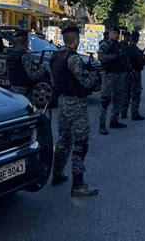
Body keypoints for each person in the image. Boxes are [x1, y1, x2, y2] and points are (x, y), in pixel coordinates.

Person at [49, 27, 100, 197]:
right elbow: (85, 82)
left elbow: (54, 80)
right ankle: (78, 185)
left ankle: (56, 174)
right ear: (76, 41)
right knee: (80, 142)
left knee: (64, 140)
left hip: (62, 101)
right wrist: (95, 77)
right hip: (76, 103)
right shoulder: (73, 58)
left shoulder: (55, 56)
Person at [98, 27, 127, 135]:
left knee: (118, 99)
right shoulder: (105, 45)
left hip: (119, 75)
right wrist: (114, 57)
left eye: (118, 33)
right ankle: (102, 125)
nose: (116, 35)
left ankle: (114, 120)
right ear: (110, 33)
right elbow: (101, 58)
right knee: (105, 100)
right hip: (109, 75)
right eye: (114, 33)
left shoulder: (118, 45)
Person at [6, 30, 46, 101]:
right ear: (27, 41)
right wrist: (42, 68)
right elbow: (33, 76)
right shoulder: (25, 56)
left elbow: (9, 74)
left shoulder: (10, 56)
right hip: (25, 92)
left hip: (13, 90)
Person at [121, 31, 145, 120]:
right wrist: (144, 56)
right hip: (135, 74)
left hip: (125, 74)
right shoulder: (137, 51)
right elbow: (142, 63)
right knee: (135, 94)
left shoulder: (125, 49)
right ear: (137, 40)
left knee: (125, 93)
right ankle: (134, 114)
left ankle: (123, 113)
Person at [119, 30, 133, 119]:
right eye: (127, 37)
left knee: (126, 93)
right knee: (124, 93)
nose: (128, 38)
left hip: (127, 72)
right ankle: (122, 112)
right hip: (122, 72)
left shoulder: (128, 46)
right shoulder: (121, 46)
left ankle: (123, 112)